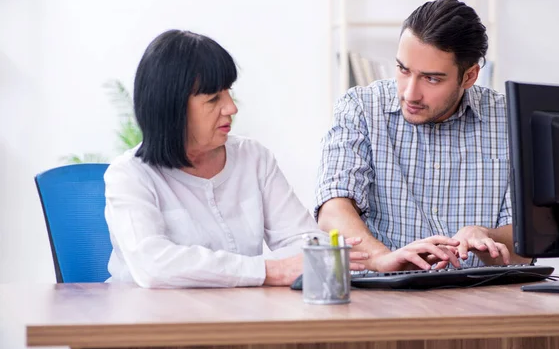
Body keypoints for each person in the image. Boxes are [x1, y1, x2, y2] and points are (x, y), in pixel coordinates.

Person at [103, 29, 373, 289]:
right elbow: (155, 266)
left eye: (228, 92)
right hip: (150, 325)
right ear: (171, 108)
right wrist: (269, 270)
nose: (231, 107)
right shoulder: (129, 175)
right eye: (213, 99)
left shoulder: (253, 158)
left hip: (236, 316)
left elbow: (306, 242)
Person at [315, 0, 531, 272]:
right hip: (384, 298)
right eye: (403, 70)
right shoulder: (361, 108)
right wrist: (382, 259)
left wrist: (487, 236)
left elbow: (525, 246)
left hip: (484, 299)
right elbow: (333, 209)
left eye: (432, 79)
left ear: (470, 76)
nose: (409, 93)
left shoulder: (509, 120)